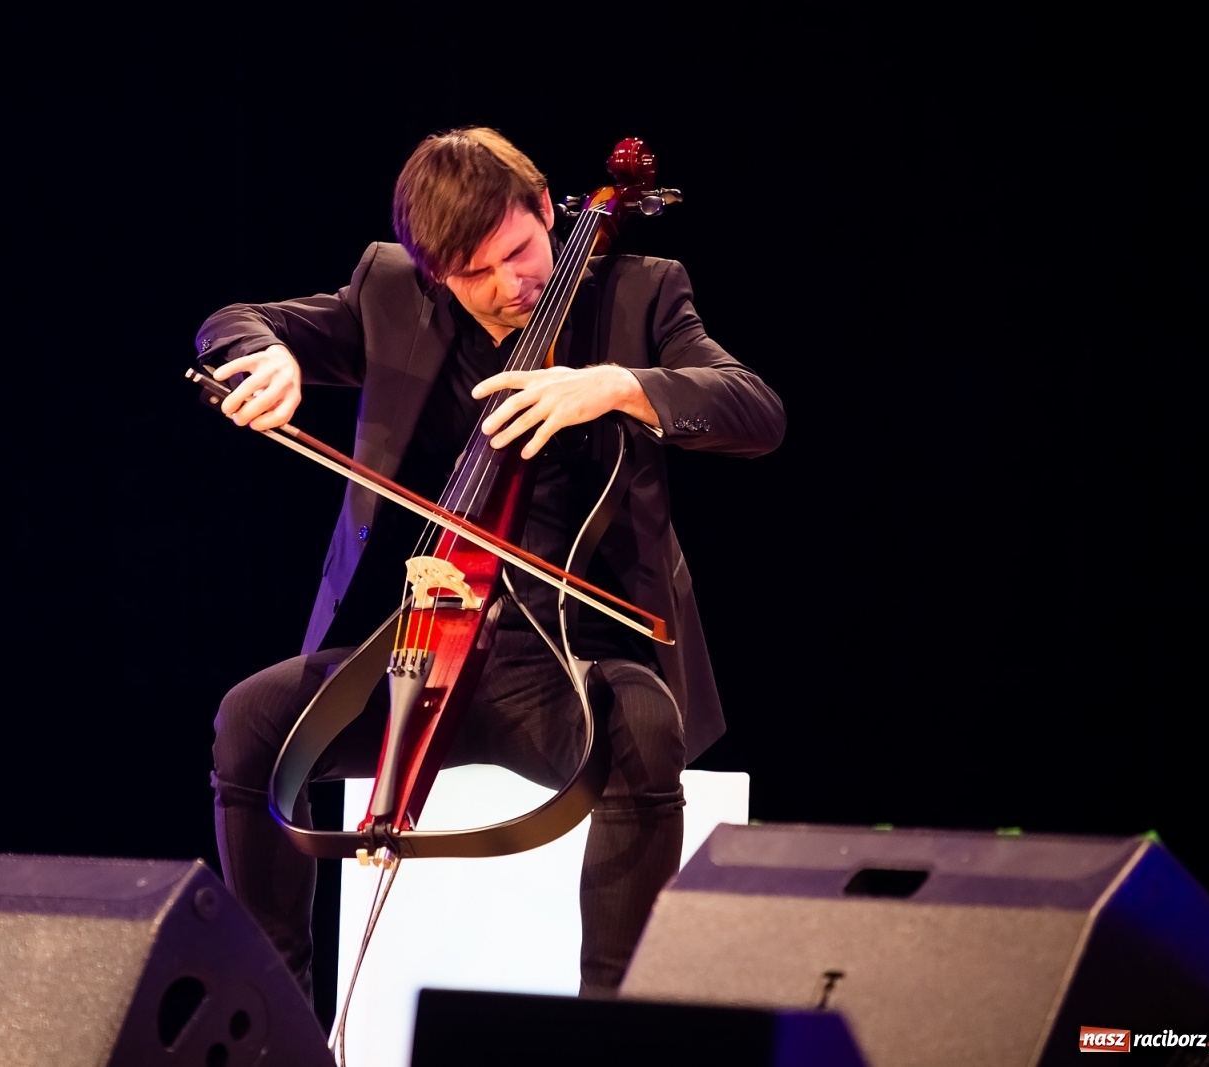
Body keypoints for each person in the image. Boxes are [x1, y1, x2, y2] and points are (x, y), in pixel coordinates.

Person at [197, 127, 784, 998]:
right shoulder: (389, 290)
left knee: (645, 729)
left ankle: (609, 1027)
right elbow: (233, 322)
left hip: (567, 663)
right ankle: (279, 1025)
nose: (516, 284)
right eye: (477, 273)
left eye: (520, 249)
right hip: (420, 650)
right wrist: (269, 354)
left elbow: (757, 410)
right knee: (251, 723)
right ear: (436, 272)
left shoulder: (642, 292)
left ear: (548, 210)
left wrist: (620, 386)